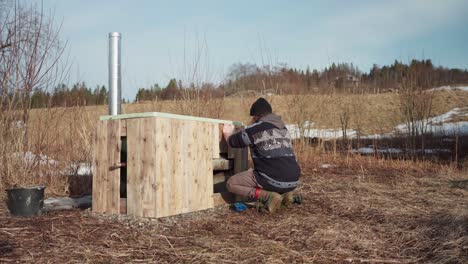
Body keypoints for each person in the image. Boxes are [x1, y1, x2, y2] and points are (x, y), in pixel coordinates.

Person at [222, 97, 301, 213]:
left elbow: (233, 142)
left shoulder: (256, 129)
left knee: (231, 183)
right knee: (267, 172)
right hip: (293, 179)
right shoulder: (284, 129)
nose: (252, 120)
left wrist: (227, 133)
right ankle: (286, 194)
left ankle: (268, 196)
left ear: (257, 116)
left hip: (273, 179)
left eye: (253, 117)